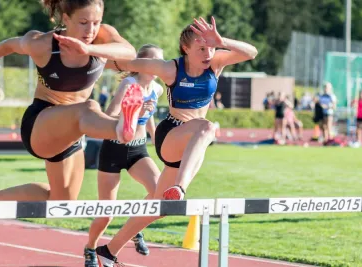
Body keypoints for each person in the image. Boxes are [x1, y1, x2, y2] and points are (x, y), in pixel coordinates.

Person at [94, 16, 258, 266]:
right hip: (172, 134)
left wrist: (222, 41)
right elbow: (128, 62)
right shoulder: (171, 68)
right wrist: (88, 55)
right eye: (201, 48)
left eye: (211, 47)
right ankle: (179, 189)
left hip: (192, 144)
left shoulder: (215, 64)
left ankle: (109, 250)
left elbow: (252, 52)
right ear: (186, 49)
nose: (208, 53)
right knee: (207, 127)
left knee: (157, 206)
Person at [0, 0, 144, 204]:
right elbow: (11, 45)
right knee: (89, 108)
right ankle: (120, 128)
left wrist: (88, 50)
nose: (91, 30)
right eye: (83, 22)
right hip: (41, 124)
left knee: (62, 200)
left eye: (96, 22)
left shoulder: (101, 37)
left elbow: (130, 52)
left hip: (72, 133)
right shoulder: (44, 44)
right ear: (66, 19)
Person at [84, 44, 164, 267]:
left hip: (138, 149)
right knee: (106, 212)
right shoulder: (129, 84)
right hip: (114, 148)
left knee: (159, 192)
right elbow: (109, 115)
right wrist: (136, 108)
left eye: (161, 62)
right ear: (141, 64)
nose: (159, 66)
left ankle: (134, 228)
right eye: (155, 61)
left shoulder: (156, 89)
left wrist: (155, 136)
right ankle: (90, 248)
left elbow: (149, 116)